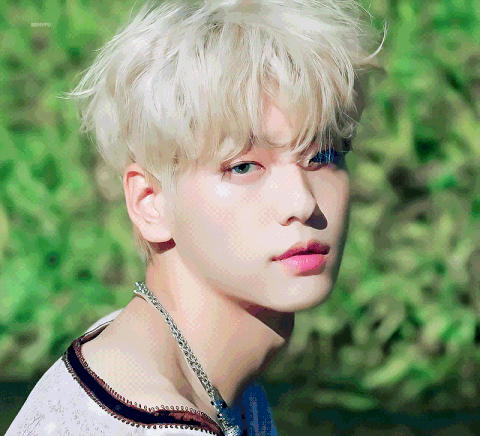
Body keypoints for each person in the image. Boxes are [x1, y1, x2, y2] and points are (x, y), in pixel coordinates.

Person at [6, 0, 382, 434]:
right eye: (243, 166)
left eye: (324, 154)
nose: (302, 202)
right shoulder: (152, 418)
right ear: (150, 201)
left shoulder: (135, 354)